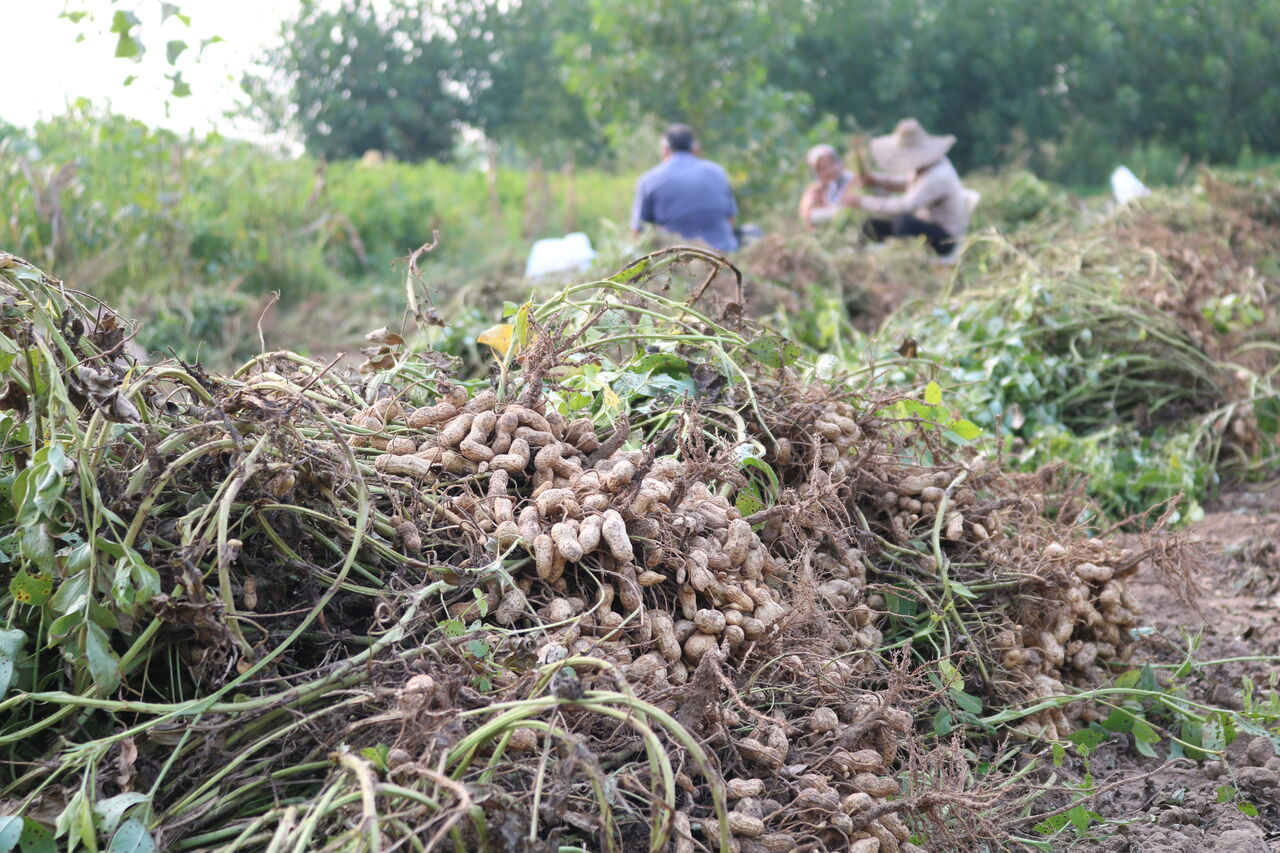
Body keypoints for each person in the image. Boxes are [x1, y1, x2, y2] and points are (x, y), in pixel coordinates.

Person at [841, 118, 971, 262]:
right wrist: (877, 180)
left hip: (944, 238)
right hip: (923, 226)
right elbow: (907, 182)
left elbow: (905, 206)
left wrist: (862, 201)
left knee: (904, 221)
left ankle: (903, 260)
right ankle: (857, 258)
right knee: (871, 225)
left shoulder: (939, 176)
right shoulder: (926, 166)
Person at [631, 124, 739, 253]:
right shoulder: (718, 172)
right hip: (723, 255)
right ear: (695, 149)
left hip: (675, 259)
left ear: (665, 149)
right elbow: (731, 221)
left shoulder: (649, 180)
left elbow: (638, 233)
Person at [798, 144, 856, 227]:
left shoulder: (853, 179)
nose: (829, 170)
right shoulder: (816, 190)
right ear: (816, 173)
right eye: (822, 168)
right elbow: (807, 217)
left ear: (839, 162)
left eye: (831, 164)